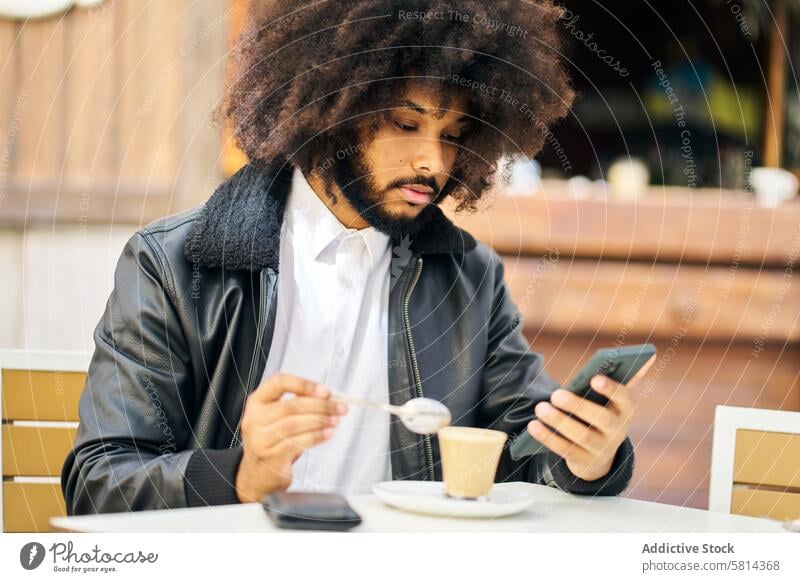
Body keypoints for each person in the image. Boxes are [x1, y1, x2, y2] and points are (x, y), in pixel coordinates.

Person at [62, 0, 641, 514]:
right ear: (332, 105)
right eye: (406, 123)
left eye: (454, 134)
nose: (432, 164)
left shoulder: (467, 277)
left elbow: (518, 454)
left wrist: (587, 457)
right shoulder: (174, 266)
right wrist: (243, 475)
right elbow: (99, 482)